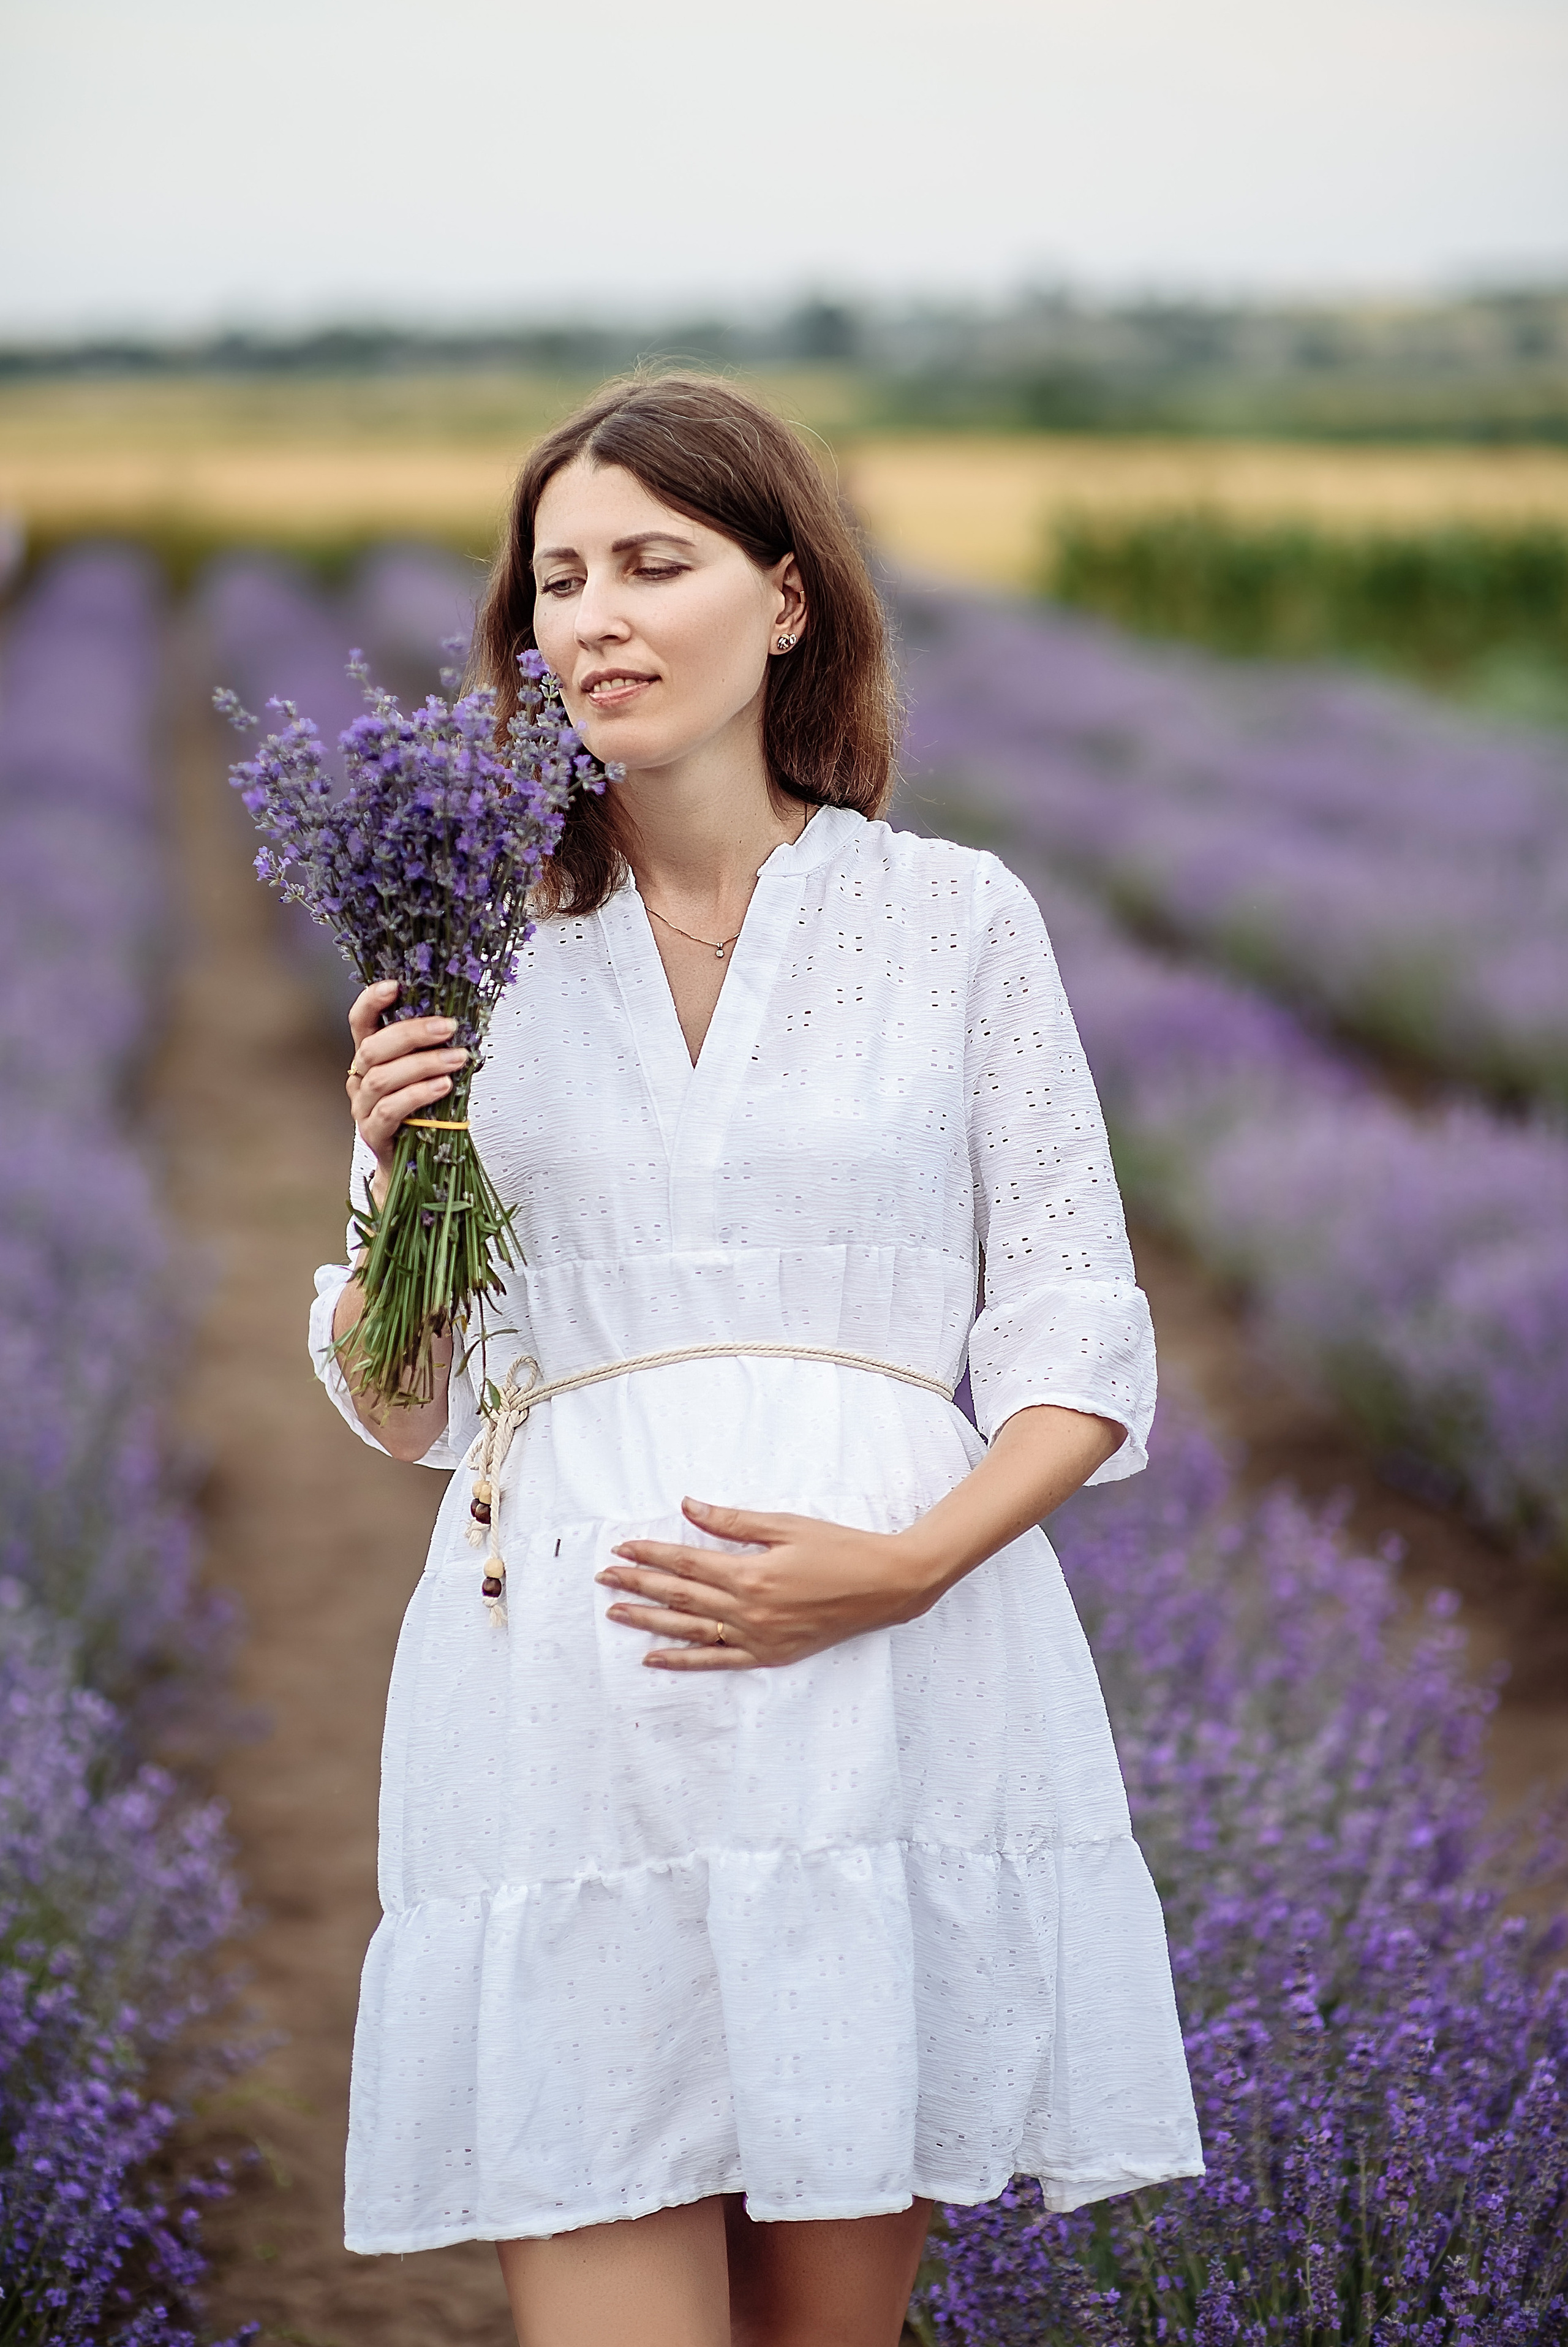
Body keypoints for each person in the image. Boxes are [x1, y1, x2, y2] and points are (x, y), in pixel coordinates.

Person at [314, 373, 1202, 2347]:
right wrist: (394, 1174)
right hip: (567, 1693)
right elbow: (405, 1404)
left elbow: (1073, 1326)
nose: (597, 616)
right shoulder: (469, 940)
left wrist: (910, 1559)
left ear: (786, 600)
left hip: (884, 1680)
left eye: (655, 561)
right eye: (557, 579)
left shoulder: (953, 920)